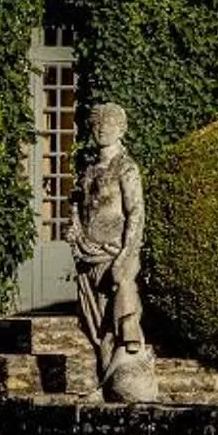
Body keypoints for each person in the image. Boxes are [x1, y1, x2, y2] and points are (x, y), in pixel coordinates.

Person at [70, 103, 155, 399]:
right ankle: (106, 384)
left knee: (117, 324)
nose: (102, 129)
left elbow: (136, 213)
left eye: (110, 124)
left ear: (121, 129)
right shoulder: (89, 169)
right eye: (98, 124)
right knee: (96, 328)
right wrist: (76, 232)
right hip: (87, 255)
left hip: (114, 253)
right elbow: (78, 207)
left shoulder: (126, 167)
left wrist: (126, 254)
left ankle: (123, 384)